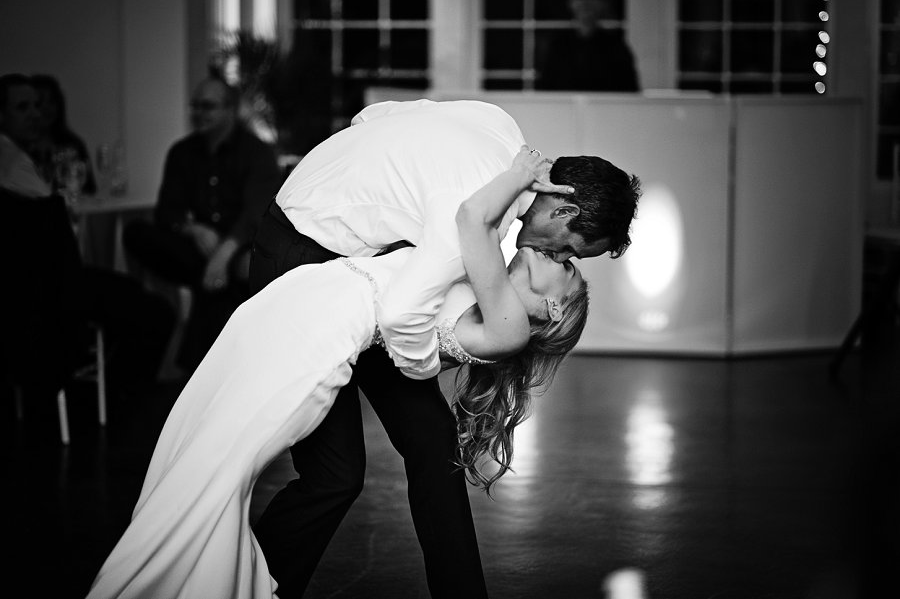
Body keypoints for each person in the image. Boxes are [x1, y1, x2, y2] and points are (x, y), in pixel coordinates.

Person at [86, 148, 591, 598]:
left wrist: (519, 172)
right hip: (303, 296)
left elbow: (470, 219)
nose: (556, 254)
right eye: (565, 253)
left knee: (225, 463)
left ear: (553, 308)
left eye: (565, 264)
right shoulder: (491, 280)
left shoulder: (509, 328)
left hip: (320, 334)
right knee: (218, 450)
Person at [250, 98, 640, 598]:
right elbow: (401, 320)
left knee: (436, 444)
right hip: (299, 261)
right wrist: (420, 366)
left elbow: (374, 117)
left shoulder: (501, 130)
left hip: (358, 275)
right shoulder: (473, 219)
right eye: (568, 249)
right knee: (334, 474)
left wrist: (368, 185)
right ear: (563, 209)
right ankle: (258, 589)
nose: (556, 256)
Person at [0, 74, 175, 402]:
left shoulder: (31, 154)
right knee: (153, 310)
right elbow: (52, 214)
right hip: (41, 291)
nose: (36, 114)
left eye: (37, 105)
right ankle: (118, 402)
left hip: (31, 288)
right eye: (23, 108)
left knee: (133, 291)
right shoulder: (12, 163)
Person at [123, 73, 282, 372]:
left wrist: (223, 256)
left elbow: (256, 214)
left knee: (239, 269)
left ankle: (197, 368)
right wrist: (193, 230)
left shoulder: (256, 152)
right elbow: (167, 212)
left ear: (230, 110)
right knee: (136, 233)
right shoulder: (182, 152)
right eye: (194, 105)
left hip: (240, 245)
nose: (198, 113)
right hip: (199, 248)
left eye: (207, 106)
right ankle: (214, 367)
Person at [536, 0, 640, 92]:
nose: (585, 3)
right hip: (565, 106)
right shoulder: (558, 47)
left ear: (601, 4)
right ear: (571, 3)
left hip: (606, 106)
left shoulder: (617, 48)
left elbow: (630, 91)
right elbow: (545, 89)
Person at [29, 73, 98, 195]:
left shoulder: (73, 144)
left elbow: (89, 189)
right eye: (39, 103)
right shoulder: (19, 149)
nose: (47, 108)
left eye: (52, 101)